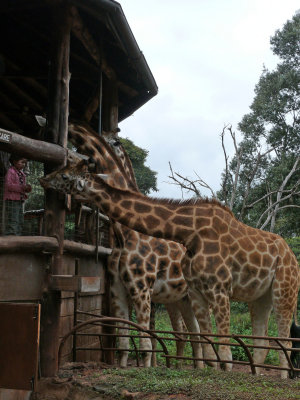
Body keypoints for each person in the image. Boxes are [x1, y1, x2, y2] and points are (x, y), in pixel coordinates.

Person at [4, 155, 32, 235]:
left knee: (20, 220)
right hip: (12, 200)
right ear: (14, 162)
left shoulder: (22, 174)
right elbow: (8, 186)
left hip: (19, 200)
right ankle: (10, 237)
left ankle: (17, 237)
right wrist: (22, 188)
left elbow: (21, 188)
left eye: (25, 163)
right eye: (22, 162)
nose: (24, 164)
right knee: (13, 220)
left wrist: (27, 189)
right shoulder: (10, 171)